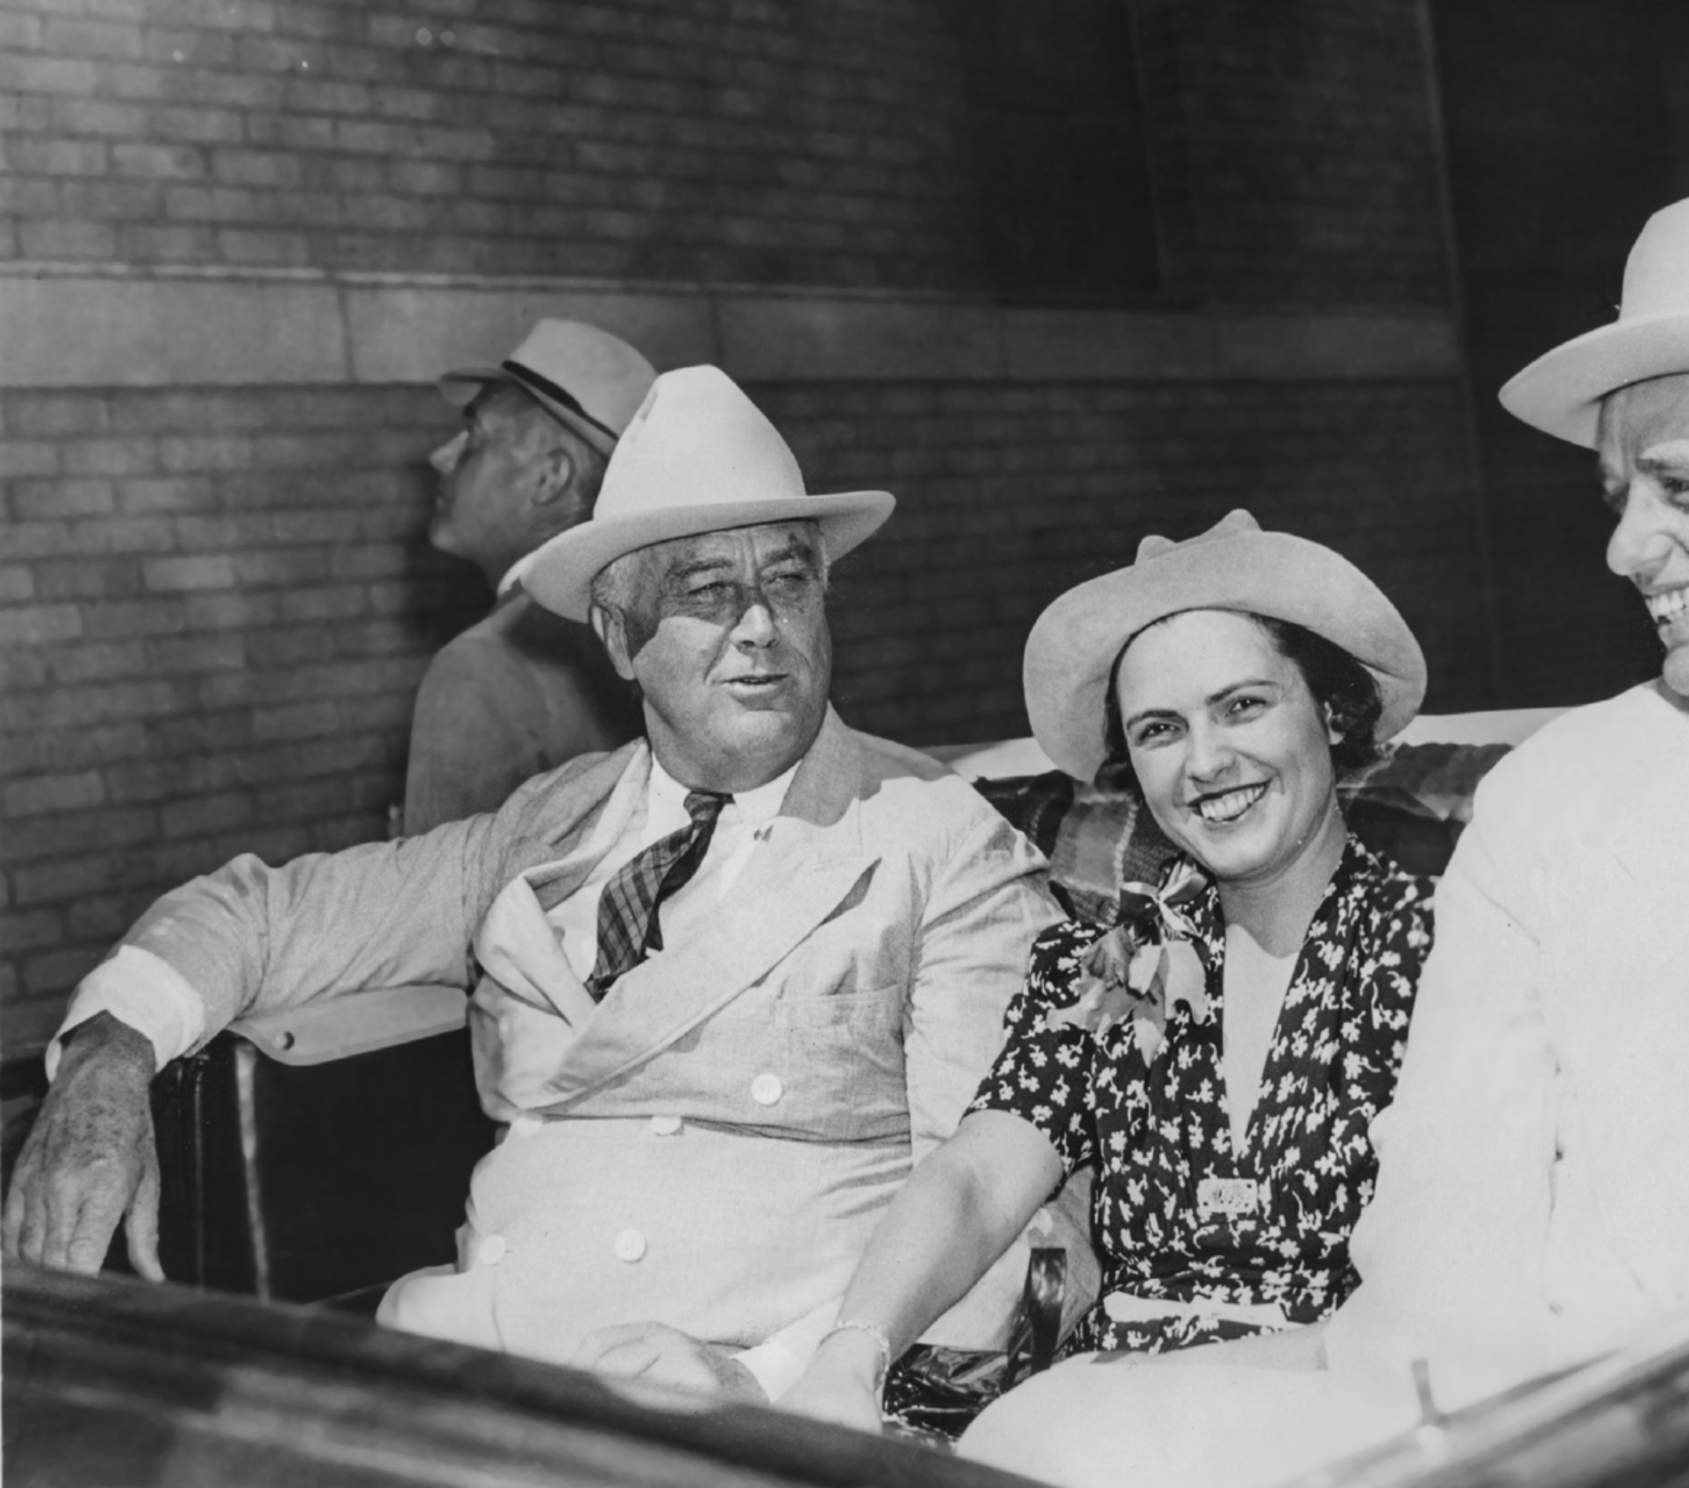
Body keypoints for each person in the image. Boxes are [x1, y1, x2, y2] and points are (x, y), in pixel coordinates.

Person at [954, 190, 1689, 1488]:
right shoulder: (1564, 792)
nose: (1620, 546)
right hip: (1554, 1436)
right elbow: (1442, 1255)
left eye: (1681, 490)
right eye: (1616, 494)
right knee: (1045, 1443)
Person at [3, 366, 1064, 1402]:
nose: (759, 625)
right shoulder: (539, 827)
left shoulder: (940, 843)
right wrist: (107, 1059)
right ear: (616, 635)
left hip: (734, 1415)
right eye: (707, 591)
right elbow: (256, 913)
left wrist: (769, 1379)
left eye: (788, 580)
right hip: (467, 1378)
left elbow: (997, 1219)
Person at [779, 511, 1434, 1428]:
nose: (1205, 762)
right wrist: (851, 1354)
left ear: (1328, 707)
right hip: (1106, 1416)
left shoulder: (1432, 948)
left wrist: (1154, 1397)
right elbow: (977, 1175)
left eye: (1242, 705)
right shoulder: (1104, 965)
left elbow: (1456, 1292)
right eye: (1160, 729)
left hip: (1341, 1415)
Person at [402, 318, 652, 834]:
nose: (441, 457)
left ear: (549, 477)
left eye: (473, 435)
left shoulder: (480, 669)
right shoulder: (642, 626)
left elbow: (449, 911)